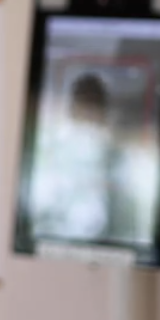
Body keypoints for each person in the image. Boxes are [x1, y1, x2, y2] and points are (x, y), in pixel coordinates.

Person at [28, 72, 119, 243]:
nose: (87, 116)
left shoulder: (115, 158)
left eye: (92, 107)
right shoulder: (55, 152)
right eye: (84, 106)